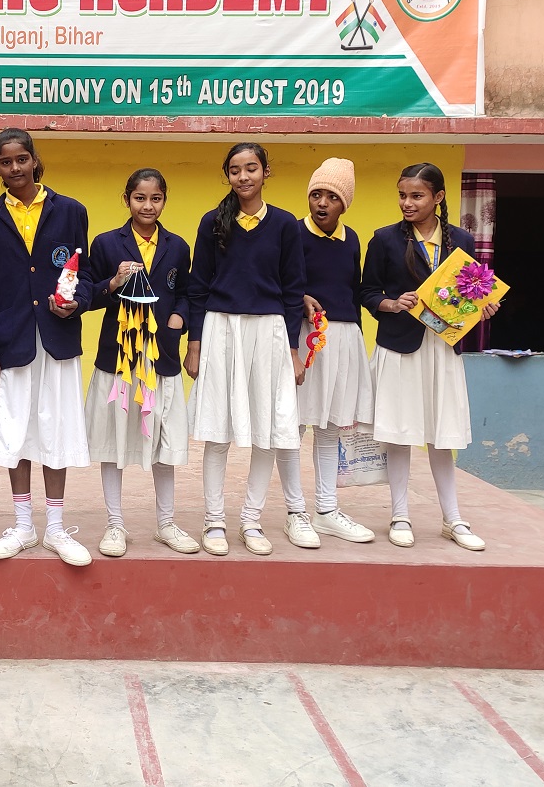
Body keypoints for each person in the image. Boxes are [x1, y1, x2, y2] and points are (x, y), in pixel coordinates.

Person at [361, 162, 499, 552]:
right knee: (399, 433)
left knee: (443, 434)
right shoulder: (384, 239)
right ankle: (399, 515)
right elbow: (366, 292)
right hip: (400, 347)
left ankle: (452, 518)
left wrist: (482, 307)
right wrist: (392, 303)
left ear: (438, 197)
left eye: (417, 196)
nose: (407, 203)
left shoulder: (463, 240)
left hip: (443, 348)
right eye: (402, 195)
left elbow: (471, 291)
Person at [185, 142, 313, 557]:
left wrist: (293, 350)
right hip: (221, 330)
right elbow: (198, 287)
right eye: (236, 170)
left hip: (269, 333)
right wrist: (194, 344)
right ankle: (214, 521)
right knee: (216, 431)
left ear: (266, 172)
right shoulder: (212, 222)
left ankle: (251, 521)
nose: (244, 176)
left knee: (268, 431)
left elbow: (293, 290)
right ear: (227, 175)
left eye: (252, 168)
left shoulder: (285, 225)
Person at [0, 128, 93, 567]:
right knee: (16, 431)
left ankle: (56, 528)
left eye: (21, 159)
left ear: (35, 159)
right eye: (5, 162)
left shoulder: (70, 211)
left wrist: (77, 302)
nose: (15, 167)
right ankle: (23, 526)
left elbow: (84, 274)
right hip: (13, 340)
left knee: (56, 428)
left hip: (58, 337)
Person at [84, 168, 199, 557]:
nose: (147, 206)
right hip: (118, 360)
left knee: (164, 441)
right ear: (126, 199)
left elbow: (186, 292)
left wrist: (179, 318)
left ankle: (166, 523)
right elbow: (89, 294)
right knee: (112, 441)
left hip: (161, 357)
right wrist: (113, 282)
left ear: (164, 200)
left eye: (155, 198)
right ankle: (115, 524)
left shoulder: (177, 246)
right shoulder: (106, 243)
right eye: (139, 198)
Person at [297, 158, 375, 544]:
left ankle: (326, 510)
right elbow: (279, 283)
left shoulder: (353, 239)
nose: (322, 203)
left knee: (329, 428)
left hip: (344, 340)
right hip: (305, 339)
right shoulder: (293, 233)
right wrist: (299, 299)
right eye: (316, 194)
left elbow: (355, 290)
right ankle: (295, 511)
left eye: (332, 197)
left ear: (345, 203)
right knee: (292, 426)